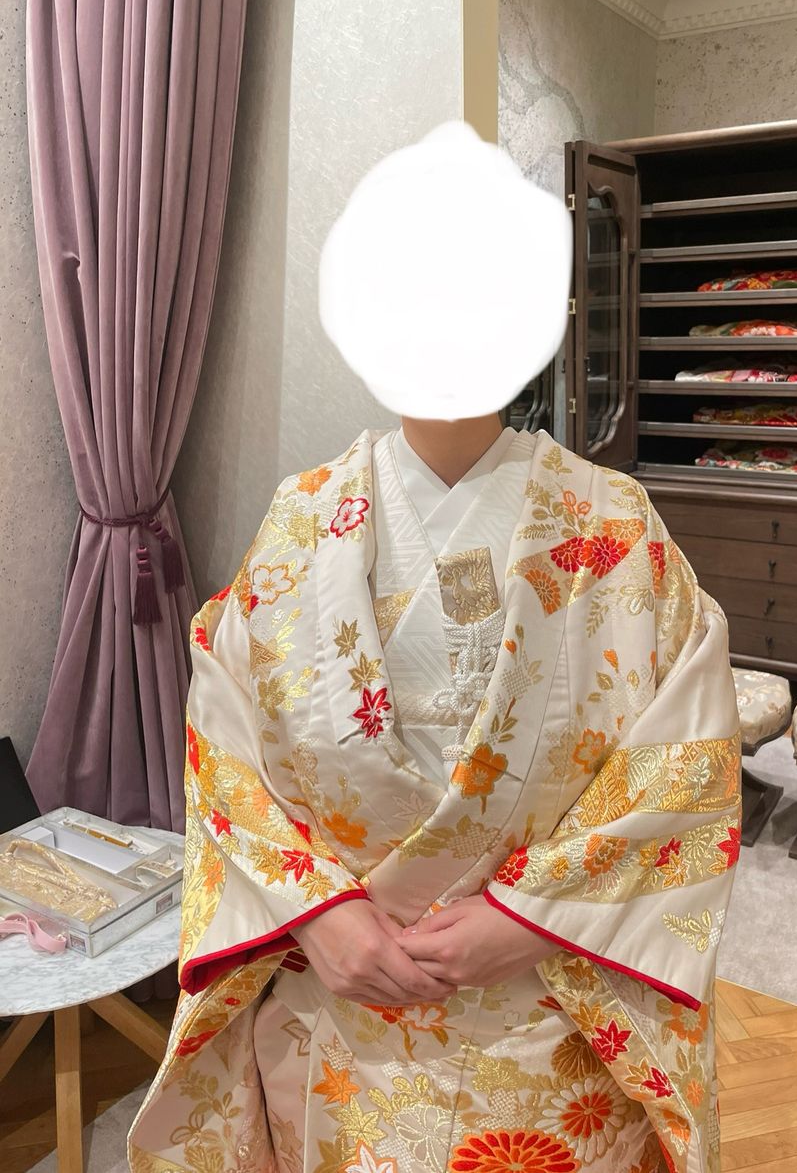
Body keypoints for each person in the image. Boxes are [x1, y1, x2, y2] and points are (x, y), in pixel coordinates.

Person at [128, 124, 741, 1173]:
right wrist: (317, 913)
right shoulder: (300, 520)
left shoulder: (616, 526)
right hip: (342, 1014)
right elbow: (223, 745)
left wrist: (534, 918)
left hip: (549, 1023)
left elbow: (687, 764)